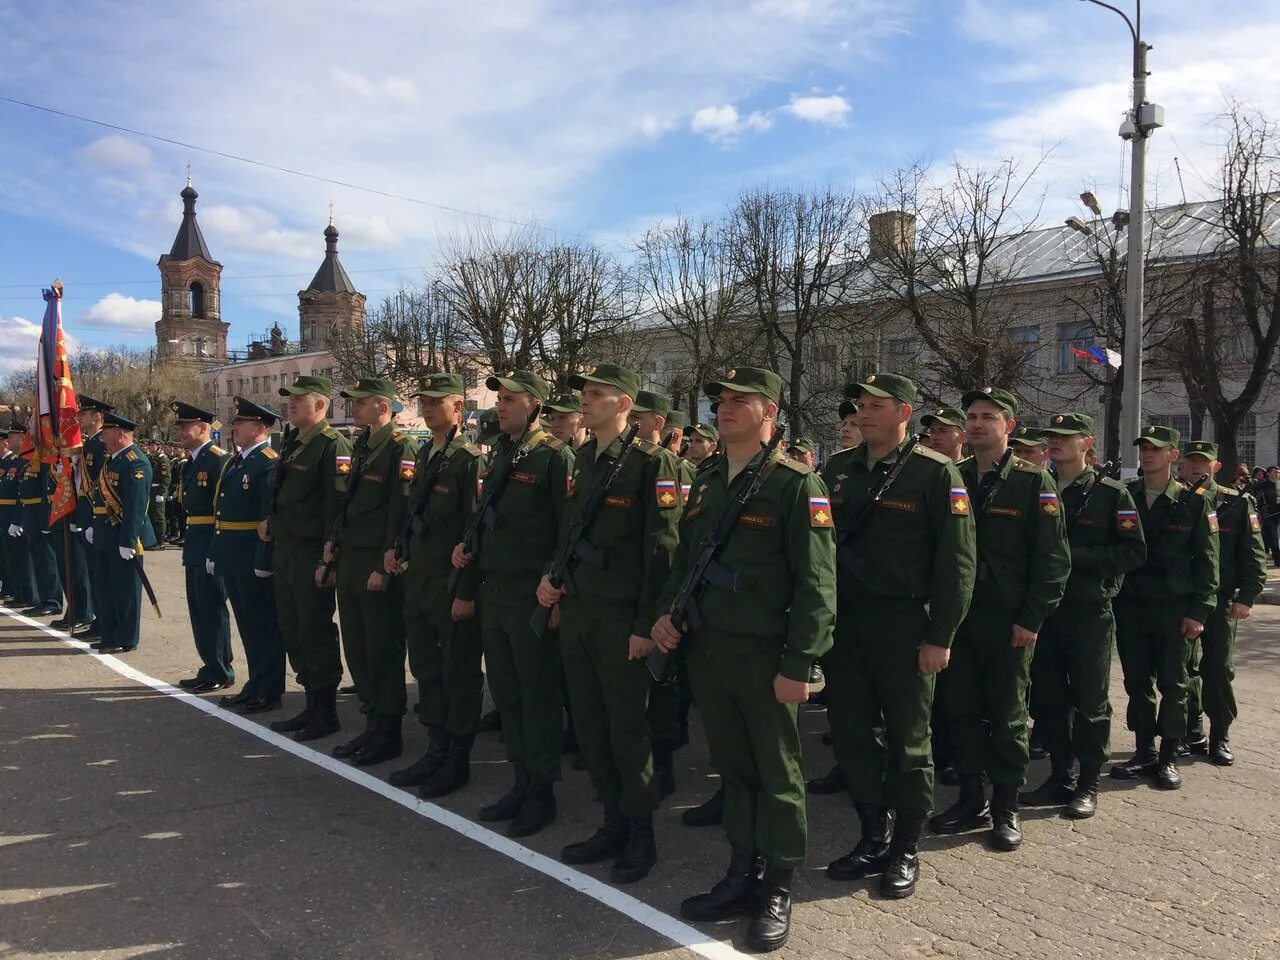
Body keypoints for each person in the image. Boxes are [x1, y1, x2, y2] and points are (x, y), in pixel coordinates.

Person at [652, 366, 835, 951]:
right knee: (734, 768)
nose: (724, 408)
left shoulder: (794, 484)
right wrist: (666, 613)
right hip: (710, 650)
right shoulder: (706, 481)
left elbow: (817, 585)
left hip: (766, 656)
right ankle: (740, 872)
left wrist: (800, 661)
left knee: (777, 774)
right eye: (720, 401)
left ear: (770, 413)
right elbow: (685, 563)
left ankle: (778, 885)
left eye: (739, 401)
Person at [822, 372, 976, 900]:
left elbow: (957, 564)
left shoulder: (935, 473)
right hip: (846, 629)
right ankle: (871, 835)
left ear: (904, 413)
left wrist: (942, 635)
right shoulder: (837, 470)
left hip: (906, 628)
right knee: (853, 736)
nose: (864, 413)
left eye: (877, 405)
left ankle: (905, 847)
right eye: (860, 404)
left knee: (910, 743)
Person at [537, 363, 681, 884]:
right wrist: (551, 583)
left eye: (596, 395)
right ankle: (611, 821)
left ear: (624, 404)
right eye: (585, 396)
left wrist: (647, 625)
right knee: (591, 726)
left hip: (623, 620)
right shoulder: (582, 461)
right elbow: (568, 533)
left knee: (626, 730)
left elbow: (662, 551)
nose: (586, 402)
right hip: (579, 614)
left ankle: (641, 835)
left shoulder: (651, 464)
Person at [928, 389, 1070, 852]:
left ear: (1009, 425)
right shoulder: (954, 477)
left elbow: (1052, 560)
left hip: (1008, 620)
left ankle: (1006, 805)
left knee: (1008, 714)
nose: (977, 423)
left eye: (989, 416)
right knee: (962, 709)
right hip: (960, 618)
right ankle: (971, 798)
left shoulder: (1033, 482)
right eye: (971, 416)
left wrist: (1032, 618)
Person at [453, 369, 573, 837]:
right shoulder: (500, 453)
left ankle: (541, 790)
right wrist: (469, 550)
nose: (500, 405)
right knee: (505, 694)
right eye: (499, 399)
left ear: (535, 405)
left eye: (511, 399)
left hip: (530, 595)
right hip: (495, 590)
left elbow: (566, 530)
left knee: (537, 695)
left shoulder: (553, 458)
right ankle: (521, 781)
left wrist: (557, 590)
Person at [1023, 413, 1145, 818]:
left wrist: (1072, 558)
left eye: (1064, 437)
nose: (1054, 443)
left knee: (1091, 702)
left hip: (1088, 611)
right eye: (1051, 438)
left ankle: (1088, 781)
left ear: (1086, 443)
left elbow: (1132, 552)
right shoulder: (1037, 487)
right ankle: (1060, 776)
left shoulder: (1111, 494)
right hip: (1045, 611)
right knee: (1049, 699)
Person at [385, 373, 483, 797]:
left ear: (458, 407)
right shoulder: (426, 454)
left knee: (457, 673)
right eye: (423, 399)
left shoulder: (469, 460)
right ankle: (435, 749)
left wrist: (464, 591)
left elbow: (473, 530)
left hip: (448, 583)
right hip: (419, 581)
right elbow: (413, 512)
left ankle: (456, 760)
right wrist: (397, 548)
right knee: (427, 670)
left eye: (436, 401)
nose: (426, 406)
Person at [1111, 425, 1219, 791]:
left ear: (1173, 456)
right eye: (1143, 448)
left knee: (1175, 684)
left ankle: (1170, 754)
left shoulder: (1195, 501)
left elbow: (1208, 562)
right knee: (1137, 683)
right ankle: (1144, 749)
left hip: (1173, 608)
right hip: (1132, 605)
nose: (1147, 455)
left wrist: (1200, 612)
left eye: (1156, 449)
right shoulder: (1126, 495)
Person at [327, 379, 418, 766]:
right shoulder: (362, 444)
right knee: (359, 648)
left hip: (376, 562)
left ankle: (388, 731)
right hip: (351, 558)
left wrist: (388, 560)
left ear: (382, 406)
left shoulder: (401, 447)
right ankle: (371, 722)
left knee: (382, 648)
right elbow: (347, 502)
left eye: (360, 403)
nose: (354, 408)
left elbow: (401, 508)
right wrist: (334, 542)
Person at [264, 376, 352, 742]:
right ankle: (311, 704)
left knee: (315, 629)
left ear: (320, 405)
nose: (291, 404)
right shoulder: (294, 442)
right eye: (290, 399)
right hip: (286, 549)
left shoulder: (332, 444)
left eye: (300, 399)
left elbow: (336, 505)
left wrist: (328, 557)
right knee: (292, 626)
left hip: (311, 551)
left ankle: (325, 710)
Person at [1179, 441, 1266, 767]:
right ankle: (1192, 728)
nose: (1198, 468)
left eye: (1204, 462)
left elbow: (1254, 556)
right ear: (1182, 465)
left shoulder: (1237, 504)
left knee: (1217, 670)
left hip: (1220, 603)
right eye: (1192, 462)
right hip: (1182, 600)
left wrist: (1246, 598)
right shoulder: (1175, 501)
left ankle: (1220, 734)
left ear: (1215, 466)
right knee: (1182, 670)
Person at [630, 389, 692, 797]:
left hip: (663, 593)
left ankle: (664, 762)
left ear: (658, 422)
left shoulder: (669, 468)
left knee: (664, 688)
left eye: (640, 416)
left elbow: (670, 540)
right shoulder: (623, 464)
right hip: (629, 590)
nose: (633, 422)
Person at [209, 398, 286, 714]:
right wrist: (217, 552)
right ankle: (256, 683)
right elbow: (221, 512)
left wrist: (263, 561)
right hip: (233, 555)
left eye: (240, 423)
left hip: (252, 557)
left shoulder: (267, 462)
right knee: (247, 624)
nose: (234, 428)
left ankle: (268, 688)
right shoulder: (237, 462)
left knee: (262, 626)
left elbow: (268, 516)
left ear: (259, 428)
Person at [170, 402, 234, 693]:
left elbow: (222, 508)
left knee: (211, 607)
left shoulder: (217, 459)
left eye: (186, 426)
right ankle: (210, 664)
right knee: (198, 608)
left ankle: (221, 668)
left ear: (203, 428)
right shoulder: (193, 461)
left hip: (209, 538)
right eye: (180, 427)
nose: (181, 431)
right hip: (195, 539)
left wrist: (216, 549)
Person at [92, 411, 158, 654]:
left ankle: (126, 637)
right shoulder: (113, 460)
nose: (102, 437)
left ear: (120, 434)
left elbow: (136, 505)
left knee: (125, 590)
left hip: (123, 536)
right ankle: (109, 634)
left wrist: (129, 539)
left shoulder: (135, 461)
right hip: (106, 534)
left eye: (106, 431)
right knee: (106, 587)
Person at [0, 427, 35, 608]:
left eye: (11, 437)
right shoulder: (17, 461)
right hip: (8, 515)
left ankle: (28, 593)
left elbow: (14, 490)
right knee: (12, 557)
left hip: (15, 514)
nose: (9, 440)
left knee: (22, 557)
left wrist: (17, 519)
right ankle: (20, 591)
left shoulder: (21, 461)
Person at [146, 440, 170, 550]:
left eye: (153, 445)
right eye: (150, 445)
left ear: (158, 446)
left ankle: (161, 542)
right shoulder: (153, 458)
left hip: (158, 489)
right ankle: (154, 540)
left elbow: (166, 478)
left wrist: (162, 493)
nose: (150, 447)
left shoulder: (163, 459)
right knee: (152, 515)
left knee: (159, 517)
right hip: (152, 489)